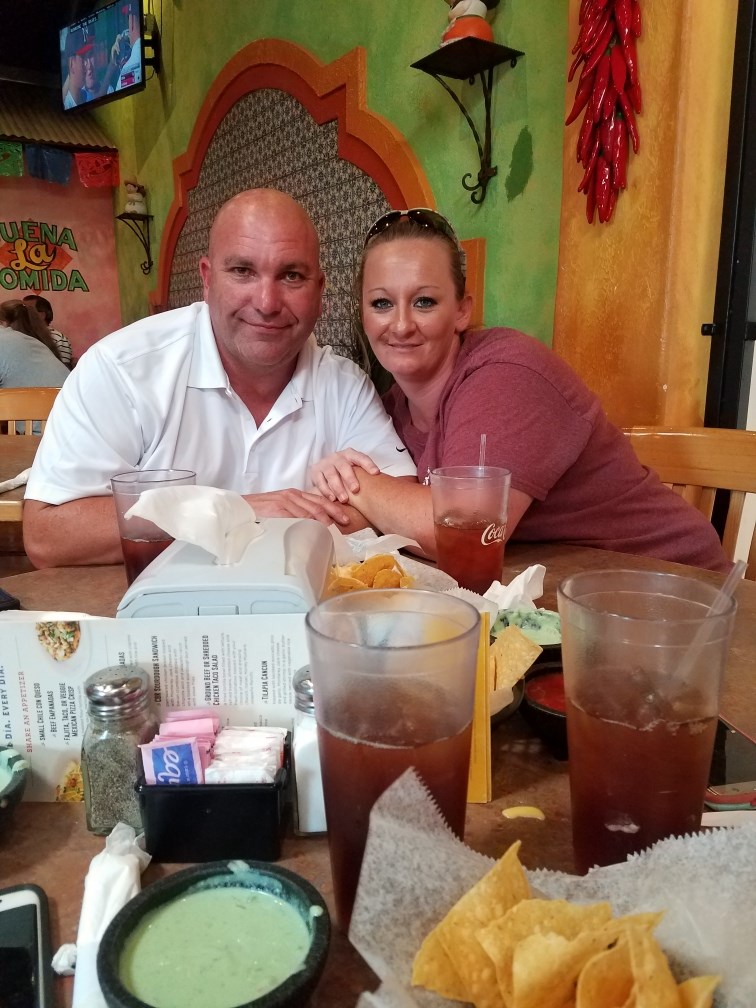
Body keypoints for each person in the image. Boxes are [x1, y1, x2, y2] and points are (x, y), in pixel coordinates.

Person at [308, 209, 732, 573]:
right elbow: (362, 523)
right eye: (382, 303)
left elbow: (455, 535)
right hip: (553, 594)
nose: (401, 325)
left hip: (672, 587)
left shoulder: (506, 375)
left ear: (462, 311)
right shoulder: (388, 409)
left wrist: (357, 481)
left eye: (424, 302)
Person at [22, 189, 415, 569]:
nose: (266, 303)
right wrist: (234, 511)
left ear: (319, 291)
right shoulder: (123, 368)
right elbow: (48, 534)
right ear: (207, 279)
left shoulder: (345, 385)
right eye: (243, 271)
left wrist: (176, 519)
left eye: (291, 276)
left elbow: (396, 514)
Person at [0, 301, 69, 432]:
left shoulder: (5, 340)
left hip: (43, 437)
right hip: (72, 430)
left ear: (3, 322)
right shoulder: (26, 340)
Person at [23, 295, 73, 369]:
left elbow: (63, 369)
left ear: (42, 315)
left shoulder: (57, 338)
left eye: (27, 310)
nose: (22, 314)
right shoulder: (20, 335)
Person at [61, 27, 94, 108]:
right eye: (83, 58)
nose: (87, 64)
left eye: (88, 56)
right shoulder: (67, 105)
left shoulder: (87, 95)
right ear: (72, 64)